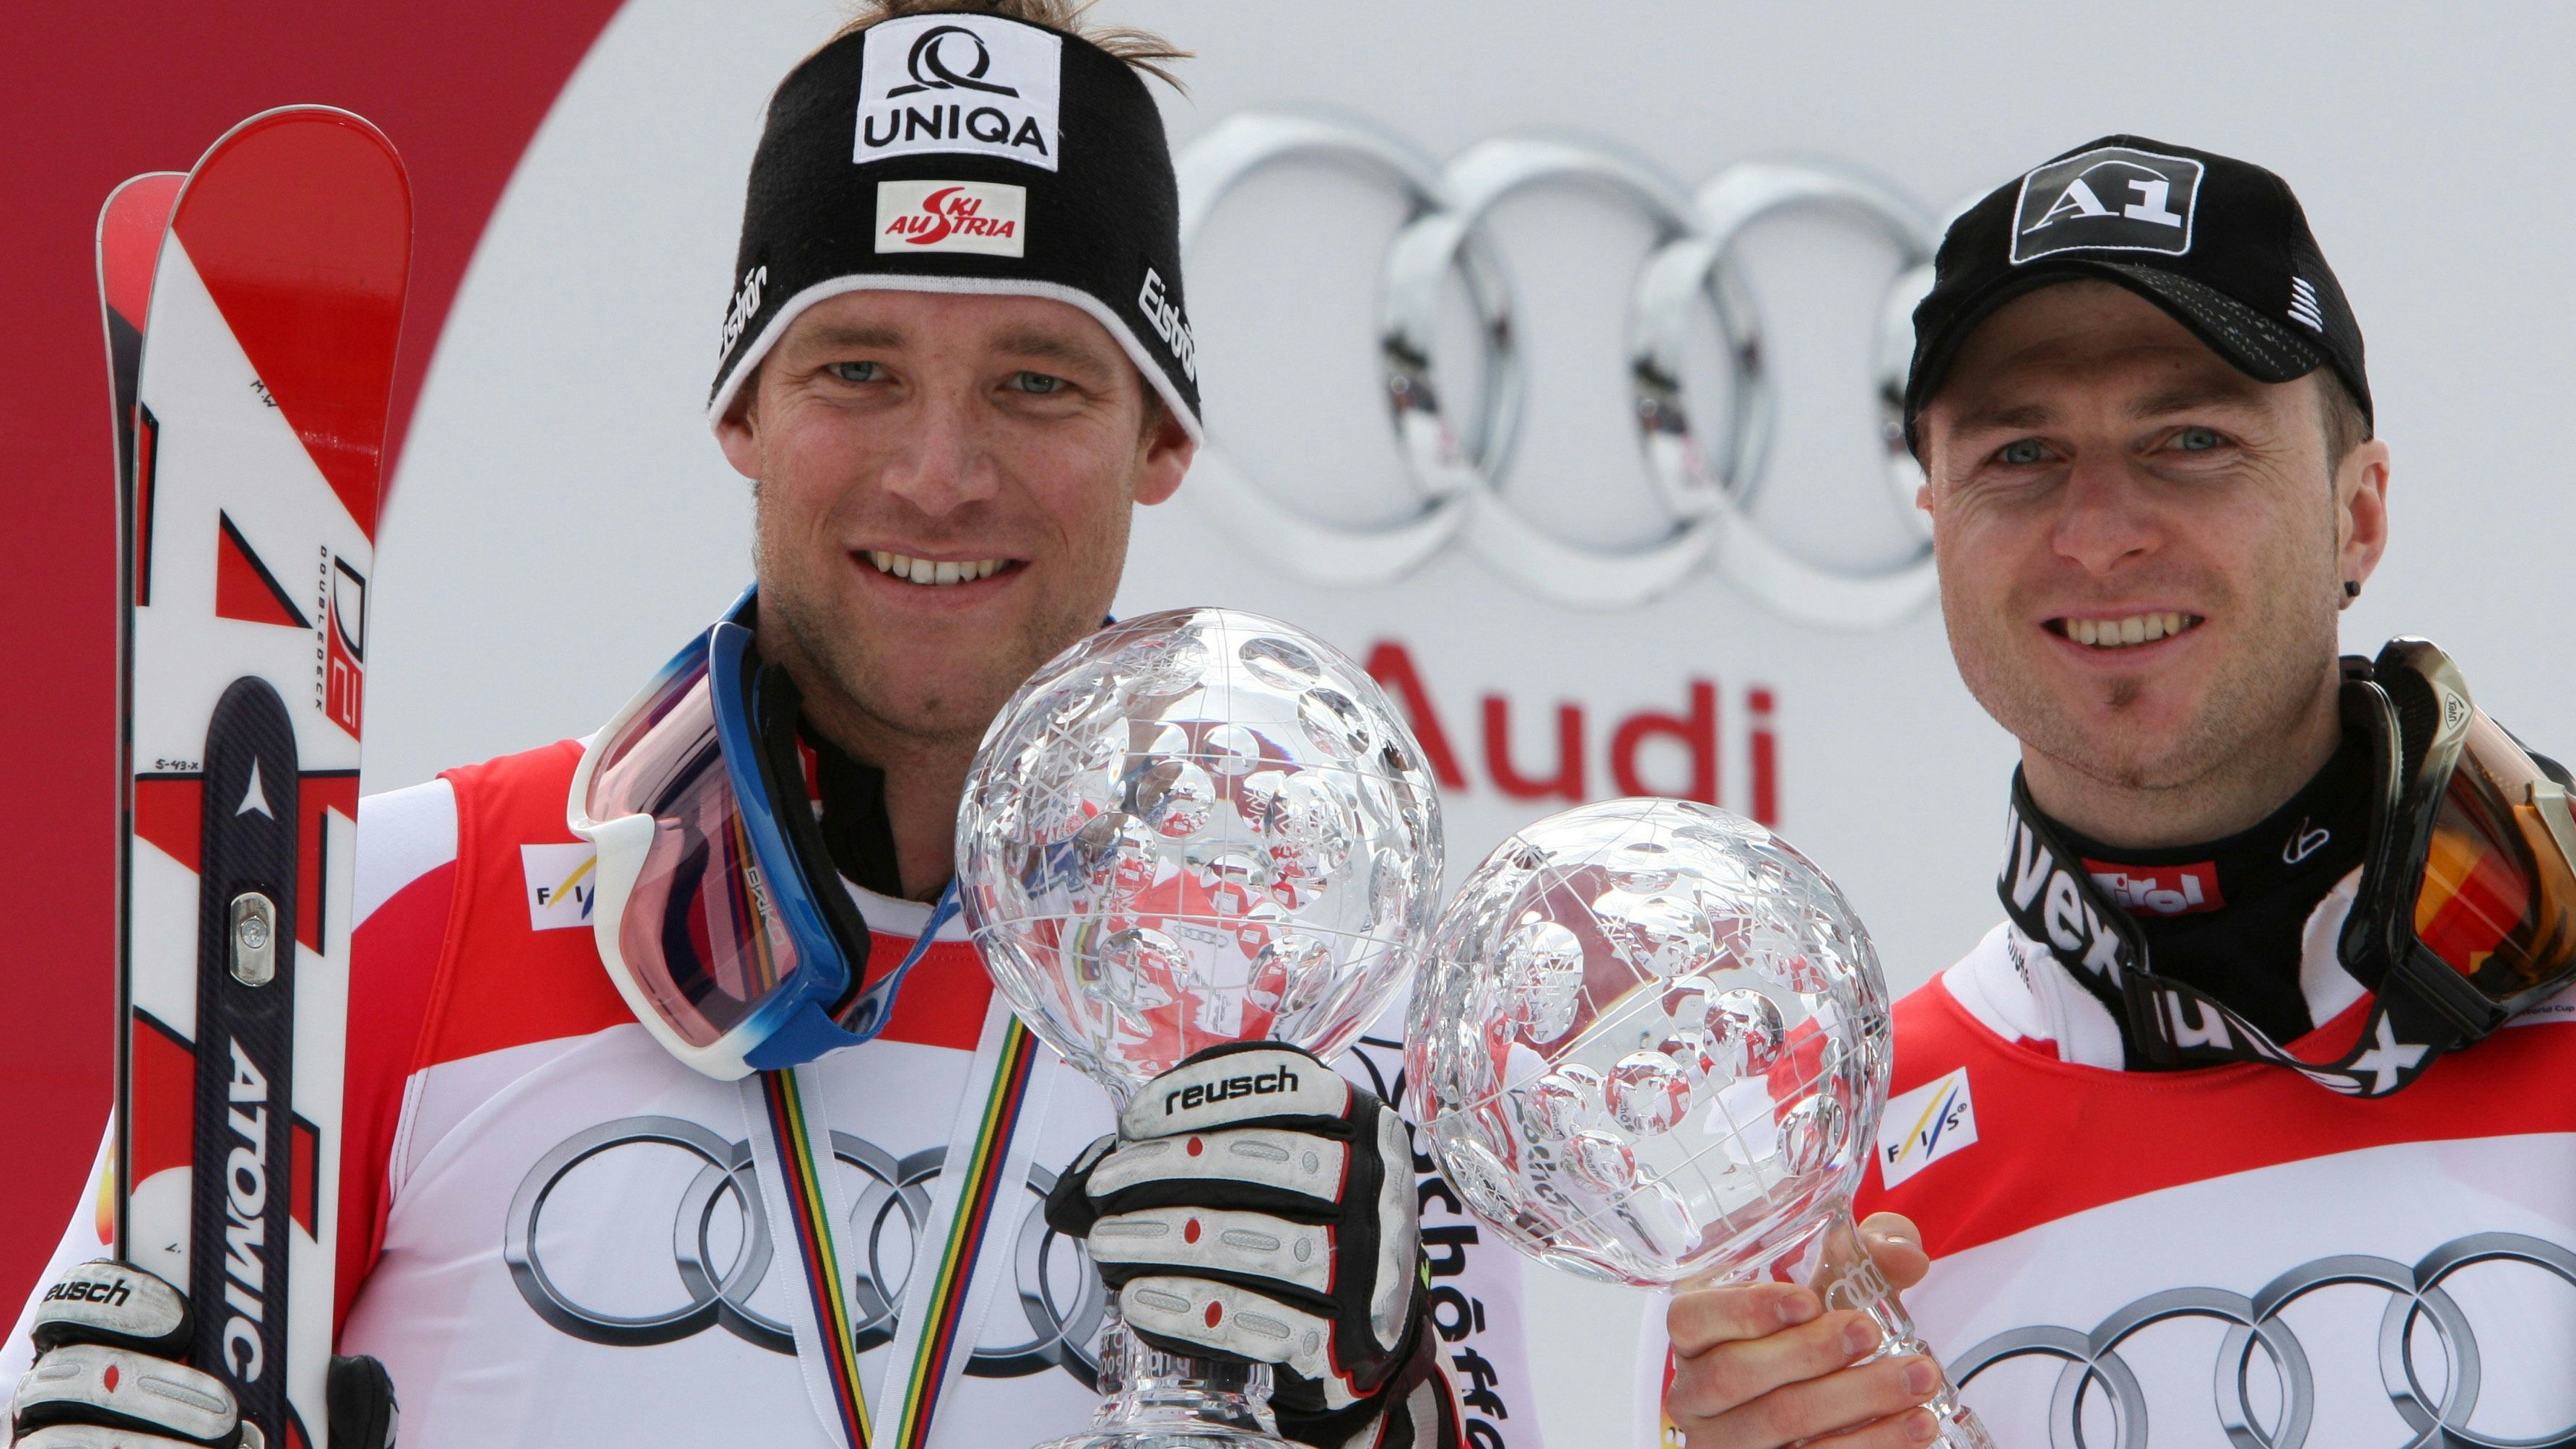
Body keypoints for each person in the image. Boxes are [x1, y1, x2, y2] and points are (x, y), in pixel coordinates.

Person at [4, 6, 1531, 1447]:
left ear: (1162, 439)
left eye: (1036, 381)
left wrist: (1381, 1412)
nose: (940, 472)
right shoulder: (385, 909)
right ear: (743, 411)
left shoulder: (1328, 1010)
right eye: (857, 369)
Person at [1650, 136, 2576, 1447]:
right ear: (1940, 528)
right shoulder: (1803, 1201)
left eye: (2191, 438)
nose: (2099, 532)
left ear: (2355, 515)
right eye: (2021, 455)